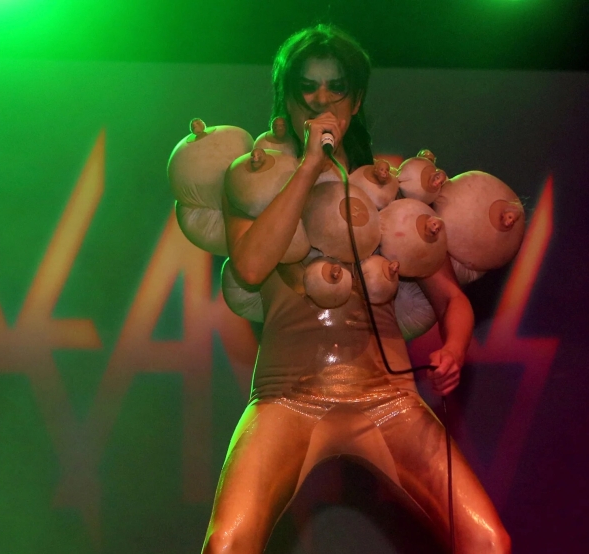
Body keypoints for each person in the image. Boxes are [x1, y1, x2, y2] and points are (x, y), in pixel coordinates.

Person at [203, 24, 510, 554]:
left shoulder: (390, 188)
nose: (321, 98)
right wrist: (309, 167)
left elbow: (451, 300)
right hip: (286, 394)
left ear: (357, 99)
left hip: (388, 399)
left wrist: (455, 349)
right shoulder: (251, 181)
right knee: (228, 543)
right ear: (286, 97)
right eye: (306, 86)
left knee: (488, 540)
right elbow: (250, 267)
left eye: (336, 86)